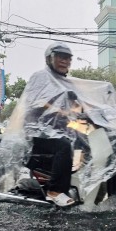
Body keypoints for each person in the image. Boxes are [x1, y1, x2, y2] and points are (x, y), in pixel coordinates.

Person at [22, 42, 79, 207]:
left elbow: (77, 101)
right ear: (49, 58)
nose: (65, 61)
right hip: (36, 131)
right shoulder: (40, 76)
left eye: (68, 58)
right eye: (61, 57)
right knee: (64, 146)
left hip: (57, 130)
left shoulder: (65, 82)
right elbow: (34, 100)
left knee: (84, 140)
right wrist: (56, 110)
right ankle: (54, 191)